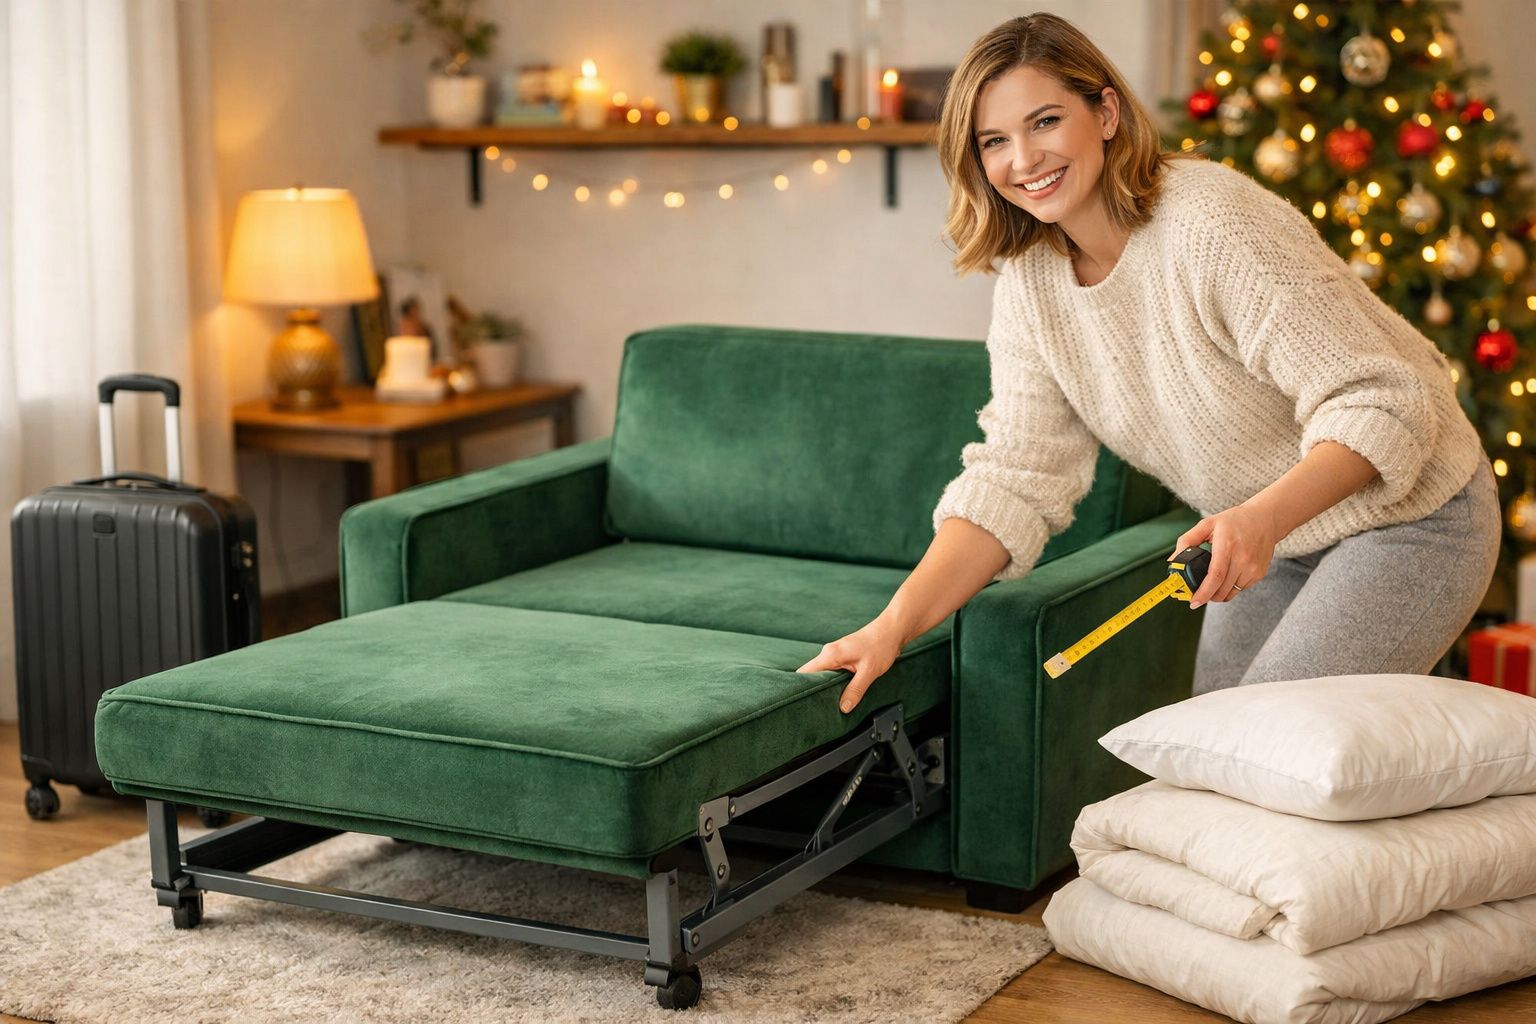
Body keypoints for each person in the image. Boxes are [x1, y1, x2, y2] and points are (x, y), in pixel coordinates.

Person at [795, 12, 1500, 712]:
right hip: (1273, 540)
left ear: (1104, 112)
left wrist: (1258, 520)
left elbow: (1382, 399)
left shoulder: (1212, 225)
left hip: (1412, 514)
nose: (1024, 159)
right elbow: (1016, 477)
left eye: (1044, 122)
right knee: (1212, 751)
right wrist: (890, 629)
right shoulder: (1030, 283)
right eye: (994, 141)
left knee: (1269, 751)